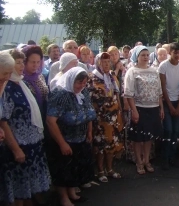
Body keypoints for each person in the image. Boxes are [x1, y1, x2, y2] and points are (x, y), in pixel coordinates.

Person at [0, 49, 51, 206]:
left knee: (27, 190)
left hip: (32, 144)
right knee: (18, 192)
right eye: (18, 62)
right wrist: (16, 149)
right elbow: (3, 121)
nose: (21, 66)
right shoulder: (7, 88)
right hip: (18, 145)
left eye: (23, 62)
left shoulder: (20, 83)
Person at [47, 67, 96, 206]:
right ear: (70, 80)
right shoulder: (60, 95)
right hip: (64, 139)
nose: (81, 86)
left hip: (80, 138)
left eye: (84, 83)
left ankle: (72, 193)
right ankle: (63, 197)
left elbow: (89, 113)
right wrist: (62, 143)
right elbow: (51, 121)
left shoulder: (83, 92)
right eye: (78, 83)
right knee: (63, 170)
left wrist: (89, 132)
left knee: (75, 168)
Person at [124, 46, 163, 174]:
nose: (146, 57)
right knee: (138, 137)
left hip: (153, 108)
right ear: (137, 57)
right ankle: (139, 162)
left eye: (147, 55)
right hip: (139, 108)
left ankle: (146, 160)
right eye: (143, 55)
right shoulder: (132, 71)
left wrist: (161, 108)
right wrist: (134, 111)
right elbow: (128, 93)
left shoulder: (154, 71)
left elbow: (159, 92)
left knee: (148, 137)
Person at [88, 52, 124, 182]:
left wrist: (120, 111)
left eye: (108, 62)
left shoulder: (112, 75)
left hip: (114, 116)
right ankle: (100, 170)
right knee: (101, 145)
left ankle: (110, 169)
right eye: (103, 62)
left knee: (112, 143)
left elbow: (116, 94)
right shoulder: (92, 77)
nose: (106, 64)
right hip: (100, 118)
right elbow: (90, 99)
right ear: (98, 63)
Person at [158, 42, 179, 170]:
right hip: (167, 102)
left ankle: (173, 157)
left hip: (177, 101)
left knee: (176, 131)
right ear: (170, 52)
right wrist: (170, 106)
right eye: (175, 52)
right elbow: (163, 88)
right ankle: (164, 157)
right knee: (168, 130)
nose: (177, 55)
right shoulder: (163, 66)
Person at [21, 45, 49, 123]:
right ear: (25, 61)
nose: (36, 65)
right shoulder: (19, 79)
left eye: (38, 62)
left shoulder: (40, 77)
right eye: (32, 62)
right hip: (27, 120)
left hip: (42, 115)